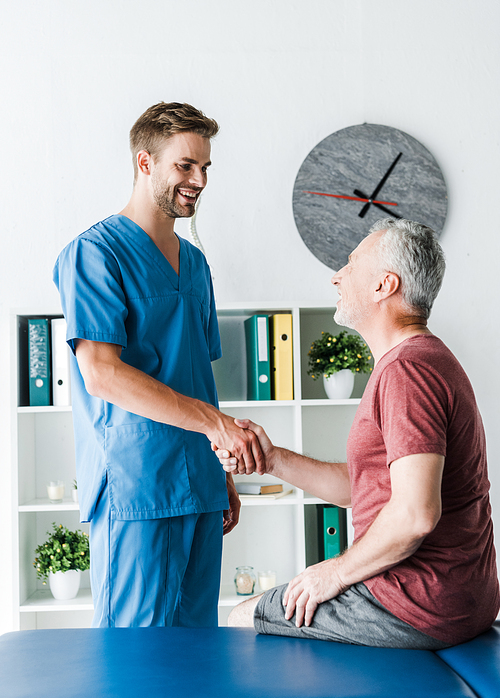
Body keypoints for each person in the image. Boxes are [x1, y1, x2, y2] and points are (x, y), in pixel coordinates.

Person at [217, 218, 499, 649]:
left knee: (239, 617)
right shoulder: (420, 360)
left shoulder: (408, 371)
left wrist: (332, 573)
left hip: (417, 603)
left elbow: (414, 515)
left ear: (385, 285)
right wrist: (272, 458)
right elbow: (361, 488)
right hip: (456, 599)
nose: (337, 275)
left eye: (351, 264)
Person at [53, 101, 264, 628]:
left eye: (205, 167)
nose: (199, 180)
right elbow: (101, 373)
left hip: (200, 481)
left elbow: (198, 373)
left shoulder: (194, 263)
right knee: (136, 655)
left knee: (197, 648)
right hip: (137, 485)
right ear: (145, 163)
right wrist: (217, 427)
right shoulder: (94, 254)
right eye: (185, 166)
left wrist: (222, 466)